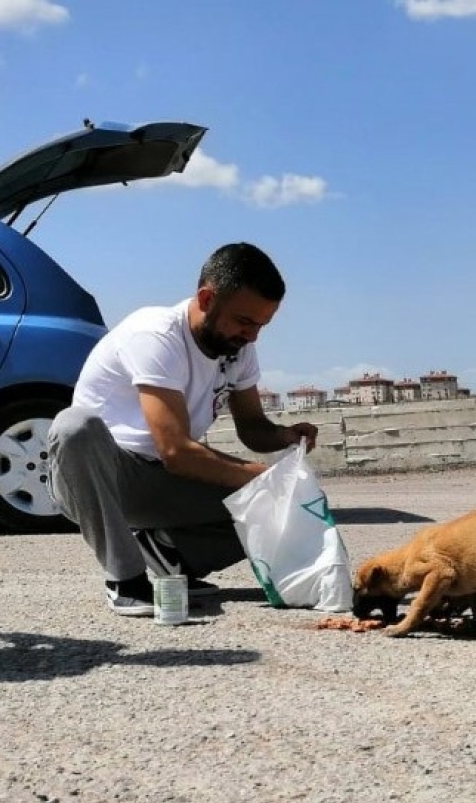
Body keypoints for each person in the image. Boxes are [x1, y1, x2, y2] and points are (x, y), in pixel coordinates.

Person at [48, 242, 319, 617]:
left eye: (261, 325)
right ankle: (126, 580)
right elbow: (176, 451)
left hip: (159, 482)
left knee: (274, 504)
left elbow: (252, 428)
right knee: (74, 426)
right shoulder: (156, 335)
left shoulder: (236, 346)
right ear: (207, 299)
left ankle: (167, 553)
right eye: (245, 321)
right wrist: (262, 477)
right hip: (104, 478)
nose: (253, 336)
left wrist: (285, 436)